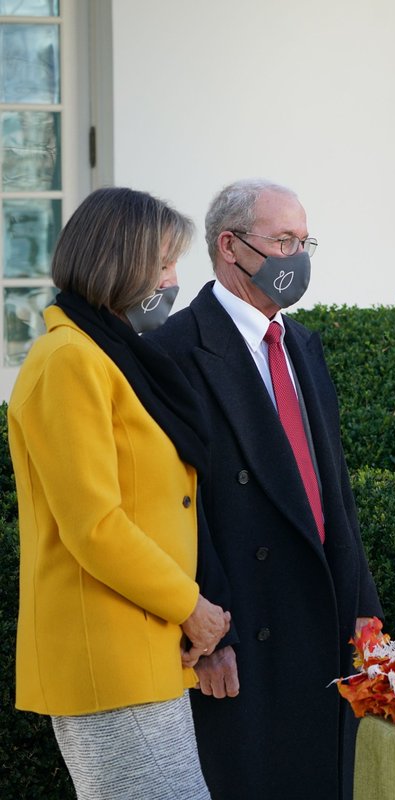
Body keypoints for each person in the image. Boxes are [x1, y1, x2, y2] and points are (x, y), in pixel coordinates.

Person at [149, 180, 382, 799]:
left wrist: (363, 603)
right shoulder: (174, 349)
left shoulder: (300, 343)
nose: (297, 258)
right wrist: (209, 637)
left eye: (304, 242)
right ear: (230, 247)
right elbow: (180, 509)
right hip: (242, 623)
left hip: (323, 614)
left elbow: (333, 487)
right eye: (283, 241)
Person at [11, 187, 229, 799]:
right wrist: (191, 607)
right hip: (108, 658)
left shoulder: (109, 355)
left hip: (143, 653)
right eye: (163, 263)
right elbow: (95, 525)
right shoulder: (68, 360)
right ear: (120, 263)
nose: (173, 279)